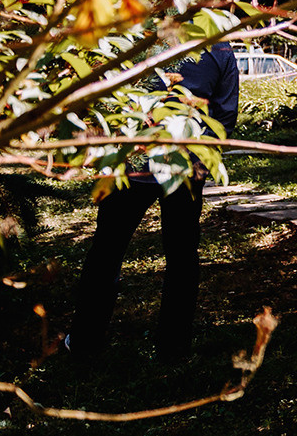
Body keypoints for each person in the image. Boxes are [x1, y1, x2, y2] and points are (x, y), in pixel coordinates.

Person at [67, 40, 239, 361]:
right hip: (185, 164)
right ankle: (173, 349)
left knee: (107, 248)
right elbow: (226, 114)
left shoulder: (139, 34)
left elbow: (110, 98)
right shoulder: (221, 48)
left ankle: (84, 340)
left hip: (135, 160)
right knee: (182, 256)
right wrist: (203, 154)